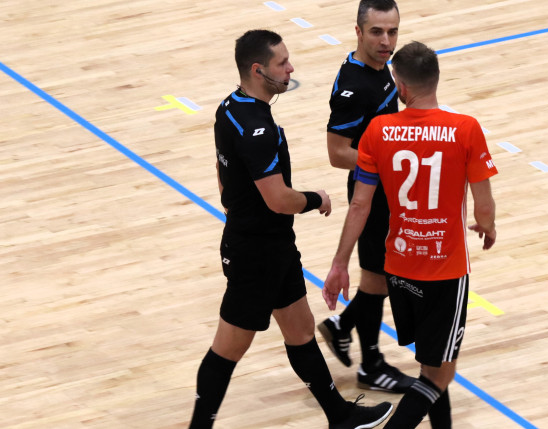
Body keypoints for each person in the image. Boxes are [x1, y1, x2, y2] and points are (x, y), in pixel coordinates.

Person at [188, 29, 392, 429]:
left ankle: (340, 415)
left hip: (272, 246)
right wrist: (316, 198)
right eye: (282, 63)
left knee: (300, 331)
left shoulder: (230, 108)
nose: (290, 68)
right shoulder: (256, 128)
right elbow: (279, 199)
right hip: (257, 254)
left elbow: (222, 173)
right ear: (257, 69)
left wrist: (237, 209)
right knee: (227, 349)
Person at [323, 41, 498, 428]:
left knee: (432, 366)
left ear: (399, 86)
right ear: (436, 79)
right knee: (439, 376)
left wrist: (339, 264)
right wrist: (487, 228)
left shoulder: (378, 132)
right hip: (444, 270)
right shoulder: (465, 129)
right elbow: (483, 206)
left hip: (399, 269)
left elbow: (359, 206)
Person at [319, 0, 415, 394]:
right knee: (384, 276)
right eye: (377, 32)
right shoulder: (352, 87)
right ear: (358, 31)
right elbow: (337, 151)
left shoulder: (380, 70)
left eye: (392, 32)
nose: (386, 41)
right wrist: (385, 160)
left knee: (379, 276)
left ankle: (352, 337)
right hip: (370, 189)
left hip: (386, 187)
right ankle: (370, 361)